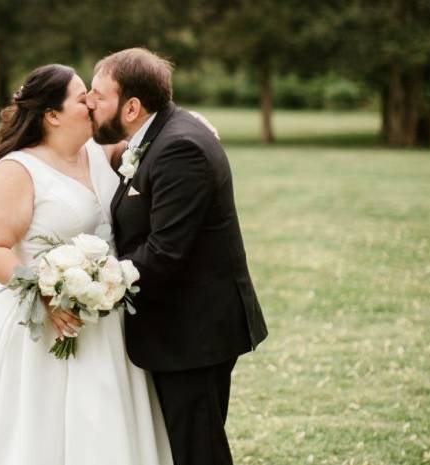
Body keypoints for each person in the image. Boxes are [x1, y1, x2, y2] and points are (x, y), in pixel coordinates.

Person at [0, 64, 173, 465]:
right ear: (52, 114)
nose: (91, 101)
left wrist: (194, 125)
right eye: (81, 96)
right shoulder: (18, 169)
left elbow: (153, 136)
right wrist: (47, 297)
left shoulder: (98, 152)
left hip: (107, 322)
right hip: (41, 323)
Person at [86, 48, 268, 465]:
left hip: (194, 332)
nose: (89, 102)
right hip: (176, 327)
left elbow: (165, 252)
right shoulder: (156, 134)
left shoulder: (178, 147)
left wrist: (93, 284)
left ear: (131, 106)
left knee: (197, 450)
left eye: (98, 94)